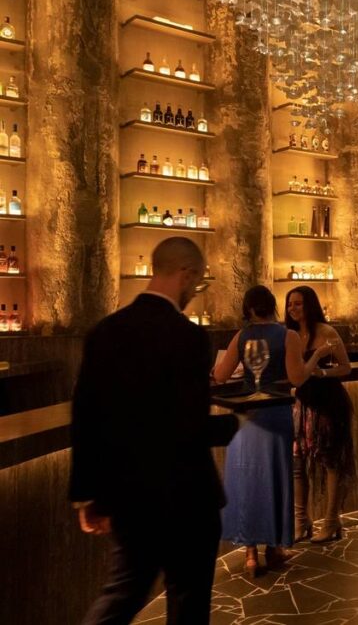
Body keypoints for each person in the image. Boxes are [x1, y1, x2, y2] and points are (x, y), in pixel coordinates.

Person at [70, 237, 239, 624]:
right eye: (196, 284)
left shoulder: (104, 332)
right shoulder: (190, 337)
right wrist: (235, 424)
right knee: (188, 603)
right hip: (187, 497)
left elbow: (87, 417)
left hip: (130, 499)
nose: (194, 293)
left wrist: (87, 495)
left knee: (121, 594)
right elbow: (187, 425)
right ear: (186, 274)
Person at [213, 286, 297, 578]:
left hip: (247, 416)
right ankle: (273, 548)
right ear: (272, 306)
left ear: (248, 309)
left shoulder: (241, 336)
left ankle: (249, 554)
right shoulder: (289, 336)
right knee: (275, 478)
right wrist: (314, 364)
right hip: (276, 414)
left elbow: (221, 376)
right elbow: (296, 376)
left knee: (247, 481)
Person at [285, 285, 355, 543]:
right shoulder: (290, 335)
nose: (293, 308)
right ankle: (301, 522)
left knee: (330, 463)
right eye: (290, 304)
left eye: (298, 304)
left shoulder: (327, 332)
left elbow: (346, 367)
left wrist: (323, 372)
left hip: (328, 404)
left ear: (310, 305)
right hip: (302, 404)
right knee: (298, 464)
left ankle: (332, 520)